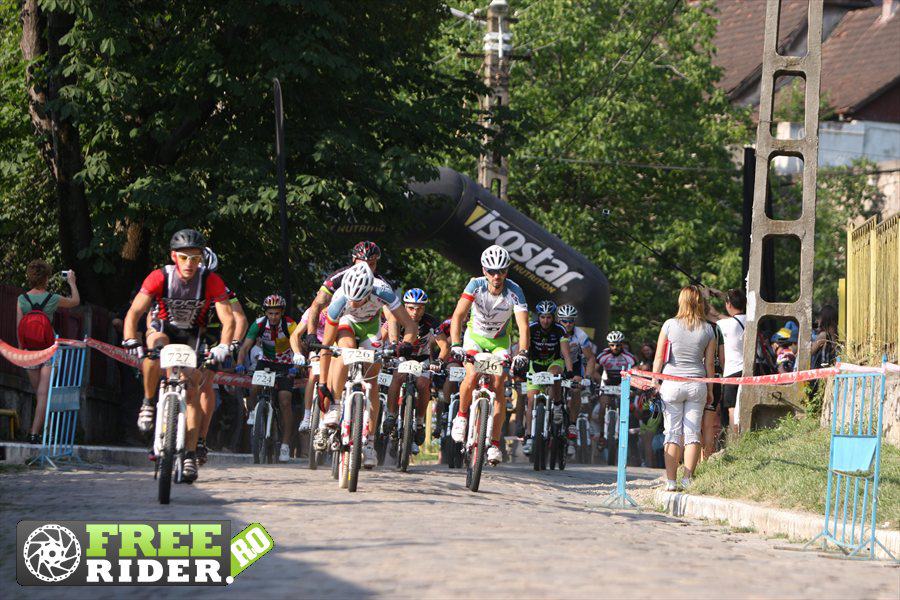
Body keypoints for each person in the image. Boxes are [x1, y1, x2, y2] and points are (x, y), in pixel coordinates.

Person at [122, 229, 235, 483]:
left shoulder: (211, 280)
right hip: (163, 328)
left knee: (192, 389)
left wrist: (224, 346)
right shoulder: (159, 277)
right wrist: (130, 338)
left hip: (193, 334)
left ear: (201, 259)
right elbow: (134, 312)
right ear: (174, 256)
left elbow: (228, 319)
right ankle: (148, 403)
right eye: (184, 257)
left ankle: (190, 455)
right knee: (154, 351)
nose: (189, 264)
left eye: (195, 258)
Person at [316, 263, 417, 468]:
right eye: (351, 299)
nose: (354, 303)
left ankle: (369, 442)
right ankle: (336, 404)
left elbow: (410, 326)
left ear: (369, 291)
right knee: (345, 351)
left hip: (371, 327)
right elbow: (326, 348)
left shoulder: (383, 291)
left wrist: (405, 344)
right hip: (347, 324)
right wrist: (323, 384)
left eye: (359, 299)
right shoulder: (339, 300)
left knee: (372, 382)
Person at [449, 245, 530, 466]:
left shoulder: (515, 291)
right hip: (474, 337)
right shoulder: (475, 285)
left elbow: (523, 327)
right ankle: (462, 417)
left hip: (499, 342)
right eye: (492, 271)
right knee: (472, 374)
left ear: (506, 271)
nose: (497, 276)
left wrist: (523, 353)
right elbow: (458, 316)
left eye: (501, 271)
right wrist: (455, 344)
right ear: (484, 271)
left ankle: (494, 443)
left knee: (499, 384)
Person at [302, 241, 396, 390]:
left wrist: (394, 343)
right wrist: (311, 334)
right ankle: (333, 399)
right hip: (343, 321)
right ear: (353, 260)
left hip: (370, 325)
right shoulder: (338, 278)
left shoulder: (380, 284)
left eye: (371, 264)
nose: (366, 268)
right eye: (362, 263)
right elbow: (317, 305)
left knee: (372, 382)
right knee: (340, 359)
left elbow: (391, 317)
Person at [652, 285, 716, 491]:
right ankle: (688, 478)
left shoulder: (669, 325)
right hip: (697, 384)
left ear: (681, 301)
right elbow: (710, 365)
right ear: (699, 303)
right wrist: (711, 390)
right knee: (692, 433)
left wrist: (655, 381)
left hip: (671, 383)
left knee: (671, 433)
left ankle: (671, 481)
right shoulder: (708, 329)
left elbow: (659, 357)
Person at [16, 261, 80, 443]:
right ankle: (35, 433)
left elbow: (19, 327)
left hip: (29, 352)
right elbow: (75, 301)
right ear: (46, 278)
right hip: (49, 350)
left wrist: (21, 352)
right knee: (44, 394)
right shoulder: (52, 298)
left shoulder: (22, 299)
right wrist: (72, 282)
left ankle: (45, 432)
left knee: (40, 394)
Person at [382, 288, 450, 454]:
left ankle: (419, 422)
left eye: (419, 308)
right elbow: (380, 338)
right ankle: (391, 415)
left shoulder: (431, 322)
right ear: (404, 306)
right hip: (401, 358)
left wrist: (440, 361)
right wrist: (382, 354)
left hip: (422, 360)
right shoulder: (396, 318)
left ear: (424, 308)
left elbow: (444, 346)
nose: (415, 312)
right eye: (411, 308)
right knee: (397, 377)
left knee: (423, 384)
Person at [196, 246, 248, 464]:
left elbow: (240, 318)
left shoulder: (219, 287)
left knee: (205, 384)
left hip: (209, 337)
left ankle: (200, 439)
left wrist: (233, 344)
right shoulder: (174, 281)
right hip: (182, 332)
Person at [235, 294, 298, 462]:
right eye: (270, 313)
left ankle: (285, 445)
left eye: (277, 313)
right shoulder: (259, 324)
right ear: (266, 313)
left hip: (286, 363)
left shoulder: (290, 325)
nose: (274, 317)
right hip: (266, 361)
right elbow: (245, 347)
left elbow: (298, 347)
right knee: (255, 387)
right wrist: (240, 363)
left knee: (285, 401)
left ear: (282, 313)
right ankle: (253, 412)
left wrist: (296, 367)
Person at [522, 300, 576, 455]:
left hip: (554, 362)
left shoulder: (560, 329)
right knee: (531, 401)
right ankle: (528, 436)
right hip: (535, 364)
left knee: (555, 374)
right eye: (542, 317)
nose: (545, 321)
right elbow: (523, 347)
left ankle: (557, 405)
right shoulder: (531, 328)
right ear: (538, 317)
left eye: (549, 317)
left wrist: (570, 371)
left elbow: (566, 353)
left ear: (553, 318)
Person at [595, 330, 636, 446]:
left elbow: (635, 371)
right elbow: (593, 370)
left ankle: (625, 432)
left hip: (622, 382)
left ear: (622, 344)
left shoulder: (629, 357)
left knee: (626, 408)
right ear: (608, 345)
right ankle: (602, 434)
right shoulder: (603, 356)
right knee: (603, 406)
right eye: (612, 345)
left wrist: (631, 386)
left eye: (618, 345)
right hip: (607, 383)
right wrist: (599, 381)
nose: (615, 347)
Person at [292, 304, 328, 434]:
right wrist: (297, 353)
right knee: (314, 374)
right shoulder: (311, 311)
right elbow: (295, 335)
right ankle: (307, 417)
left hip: (333, 346)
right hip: (316, 346)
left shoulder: (341, 307)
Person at [716, 289, 746, 436]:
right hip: (750, 371)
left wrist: (707, 296)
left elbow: (710, 314)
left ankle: (735, 439)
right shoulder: (752, 319)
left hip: (732, 372)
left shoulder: (724, 324)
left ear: (728, 304)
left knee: (732, 408)